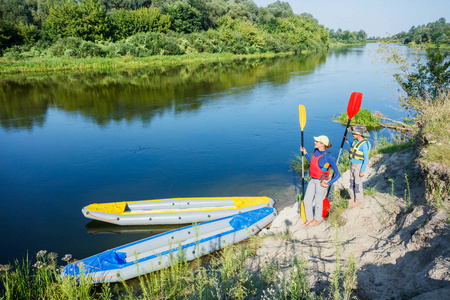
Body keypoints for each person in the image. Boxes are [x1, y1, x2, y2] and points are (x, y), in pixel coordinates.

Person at [300, 135, 340, 226]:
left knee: (318, 201)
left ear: (322, 144)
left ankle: (317, 219)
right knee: (307, 200)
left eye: (317, 141)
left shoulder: (328, 156)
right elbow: (313, 163)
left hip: (321, 182)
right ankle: (309, 218)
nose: (315, 142)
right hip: (313, 180)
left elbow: (338, 174)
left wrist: (328, 183)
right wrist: (305, 153)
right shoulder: (315, 151)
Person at [345, 125, 371, 207]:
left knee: (357, 183)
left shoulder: (364, 144)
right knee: (352, 181)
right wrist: (346, 141)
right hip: (352, 165)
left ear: (360, 134)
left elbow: (366, 159)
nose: (352, 134)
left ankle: (359, 200)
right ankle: (353, 197)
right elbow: (354, 147)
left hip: (358, 166)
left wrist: (362, 171)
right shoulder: (355, 141)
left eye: (354, 133)